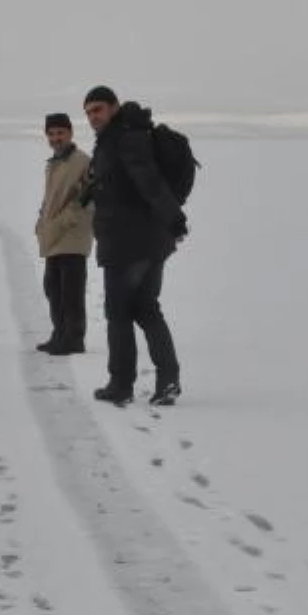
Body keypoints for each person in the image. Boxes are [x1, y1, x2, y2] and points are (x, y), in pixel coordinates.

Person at [81, 86, 185, 407]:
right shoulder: (122, 137)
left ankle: (121, 383)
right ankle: (168, 380)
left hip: (128, 244)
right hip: (149, 241)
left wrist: (175, 219)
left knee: (118, 313)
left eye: (97, 109)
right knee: (146, 308)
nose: (92, 117)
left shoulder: (124, 139)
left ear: (114, 107)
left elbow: (149, 181)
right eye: (88, 112)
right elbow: (120, 184)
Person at [34, 113, 93, 355]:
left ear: (70, 133)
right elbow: (50, 199)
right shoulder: (53, 163)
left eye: (60, 133)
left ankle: (74, 339)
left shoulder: (82, 160)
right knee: (52, 288)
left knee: (71, 291)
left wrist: (64, 220)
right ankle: (59, 334)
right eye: (51, 133)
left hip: (72, 234)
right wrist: (42, 222)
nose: (56, 138)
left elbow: (87, 196)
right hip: (53, 234)